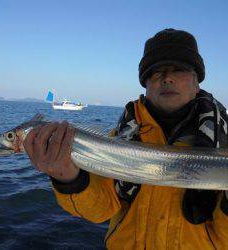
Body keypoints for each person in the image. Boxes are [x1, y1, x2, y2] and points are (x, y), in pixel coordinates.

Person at [24, 28, 228, 249]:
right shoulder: (115, 141)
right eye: (156, 71)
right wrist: (69, 179)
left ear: (196, 81)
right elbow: (100, 211)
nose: (167, 78)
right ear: (145, 83)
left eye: (178, 69)